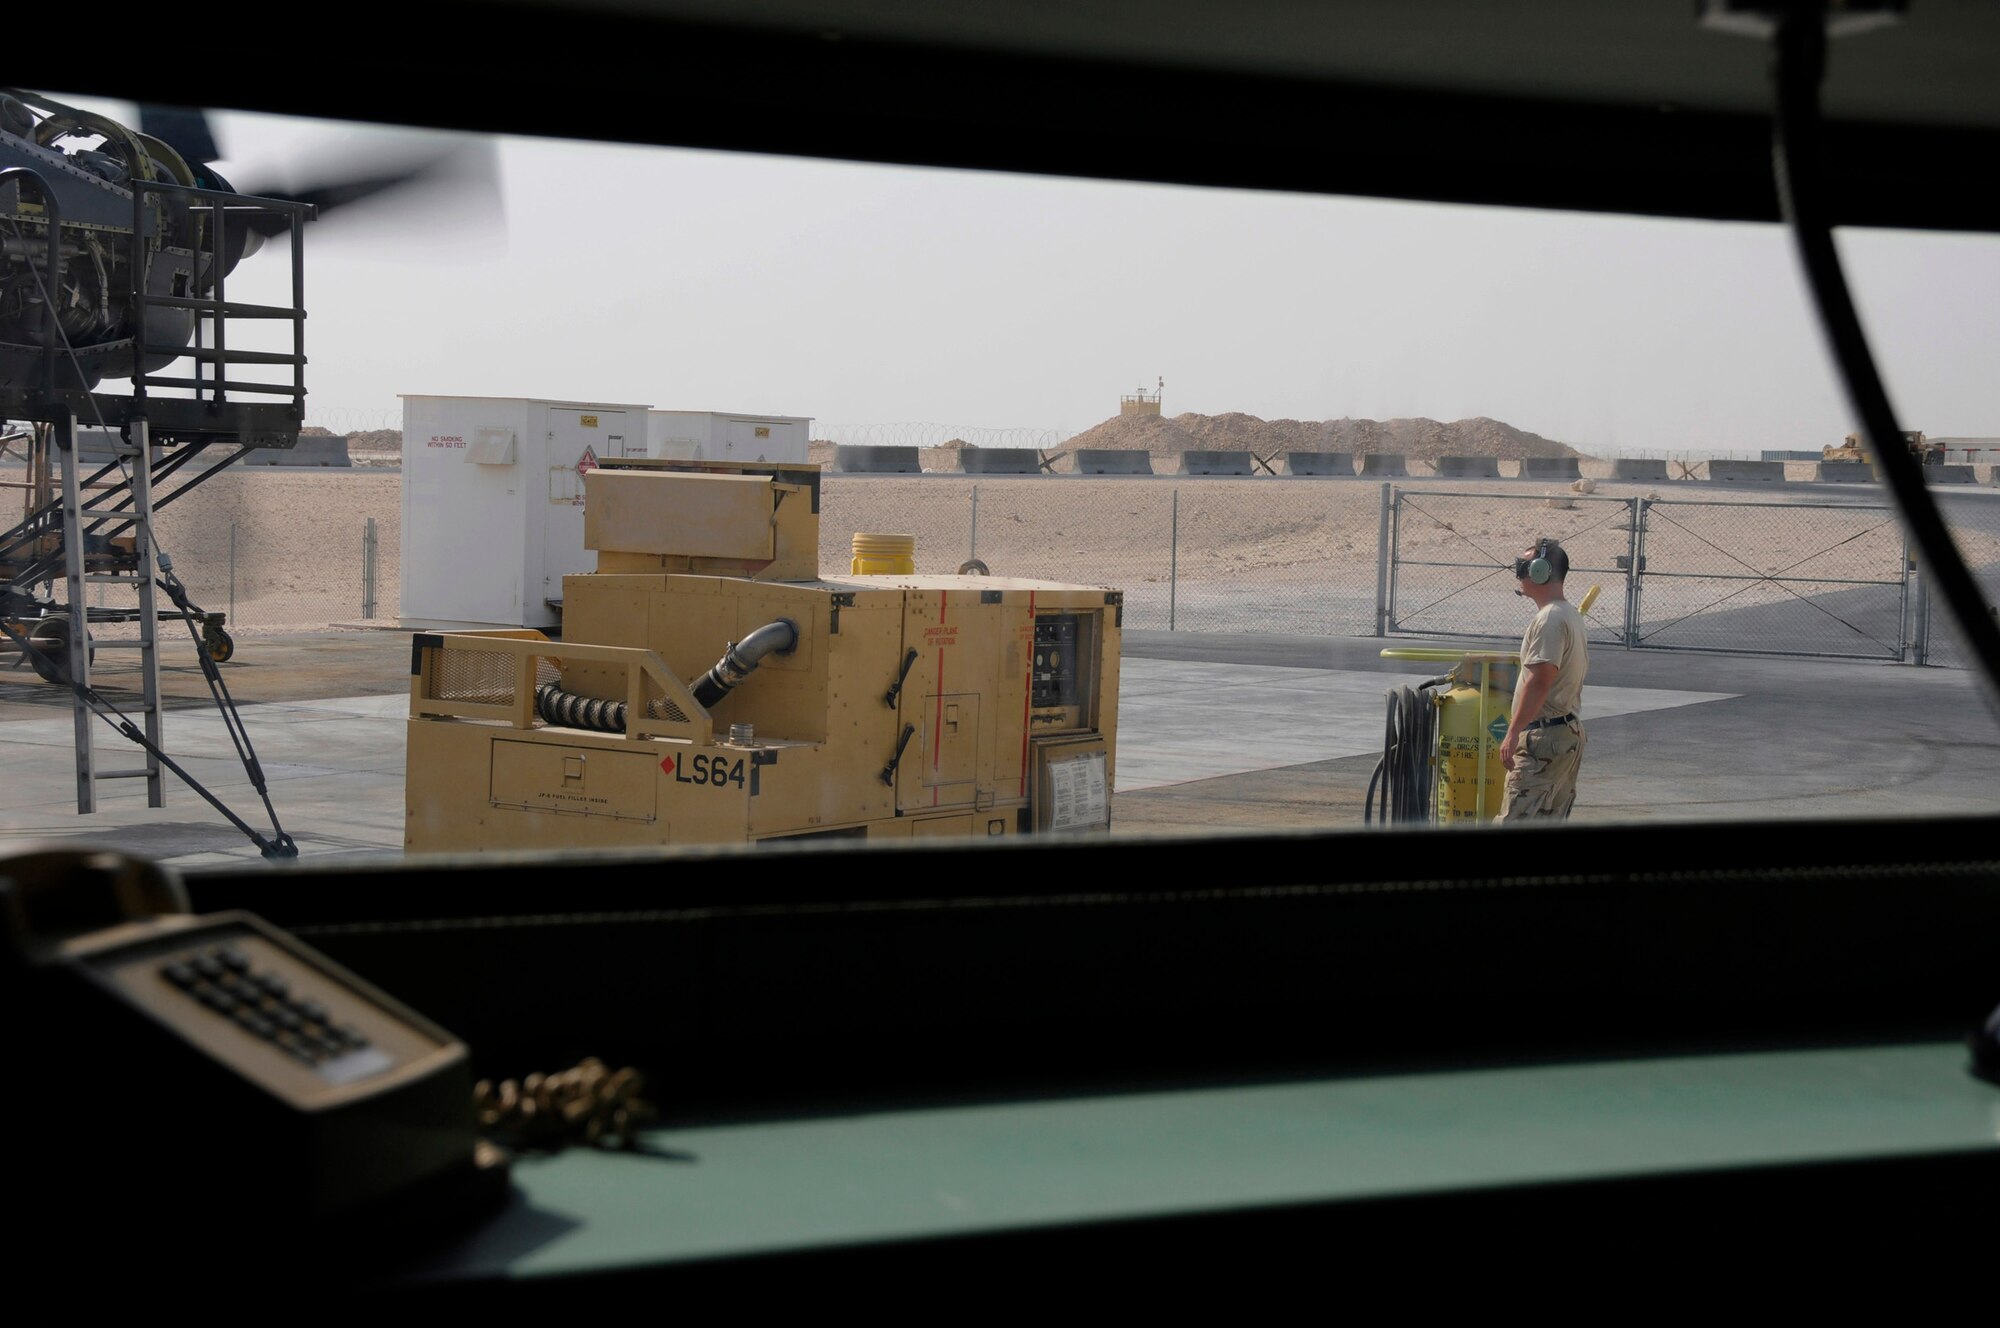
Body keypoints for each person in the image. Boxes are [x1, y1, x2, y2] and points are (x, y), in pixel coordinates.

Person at [1495, 537, 1588, 821]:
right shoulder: (1568, 614)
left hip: (1543, 739)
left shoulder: (1549, 619)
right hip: (1563, 734)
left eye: (1524, 566)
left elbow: (1540, 680)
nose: (1520, 574)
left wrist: (1513, 732)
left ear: (1540, 571)